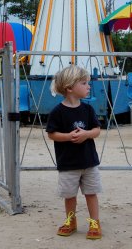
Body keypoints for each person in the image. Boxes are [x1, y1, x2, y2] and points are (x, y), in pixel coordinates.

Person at [46, 65, 102, 240]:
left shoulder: (88, 109)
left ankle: (95, 222)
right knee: (69, 195)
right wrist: (68, 136)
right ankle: (71, 221)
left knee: (91, 193)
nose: (88, 86)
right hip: (68, 164)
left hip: (89, 162)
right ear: (70, 88)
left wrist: (86, 134)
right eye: (84, 83)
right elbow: (51, 134)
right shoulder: (57, 112)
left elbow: (97, 130)